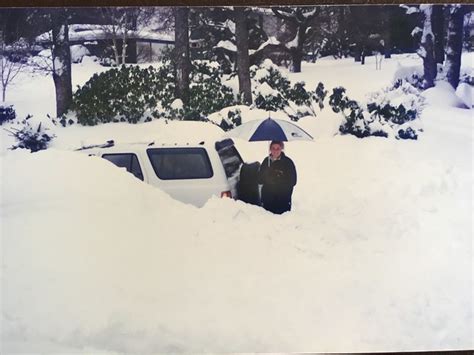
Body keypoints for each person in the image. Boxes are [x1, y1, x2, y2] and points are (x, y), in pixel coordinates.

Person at [257, 140, 297, 214]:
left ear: (281, 149)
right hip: (268, 201)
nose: (275, 151)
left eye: (278, 148)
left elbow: (293, 181)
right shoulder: (266, 161)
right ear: (270, 149)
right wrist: (267, 174)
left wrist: (279, 178)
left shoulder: (288, 162)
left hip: (282, 202)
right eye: (273, 148)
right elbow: (260, 180)